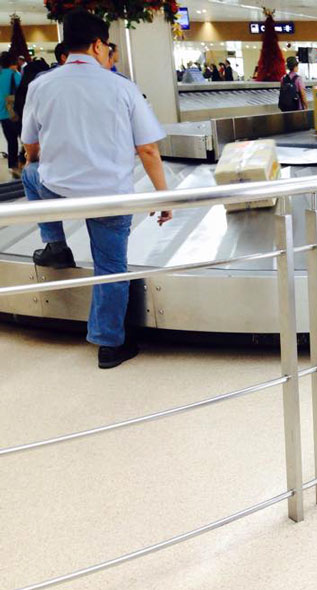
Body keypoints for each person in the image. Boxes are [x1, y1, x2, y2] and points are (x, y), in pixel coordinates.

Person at [21, 9, 172, 369]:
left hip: (57, 192)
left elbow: (30, 147)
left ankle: (55, 244)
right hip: (109, 196)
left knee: (30, 174)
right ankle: (108, 346)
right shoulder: (122, 87)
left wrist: (38, 160)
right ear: (98, 45)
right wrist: (164, 197)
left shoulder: (41, 85)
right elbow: (148, 149)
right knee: (109, 266)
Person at [0, 52, 23, 179]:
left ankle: (13, 166)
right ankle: (22, 163)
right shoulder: (15, 75)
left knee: (11, 142)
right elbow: (22, 91)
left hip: (2, 115)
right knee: (25, 140)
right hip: (14, 114)